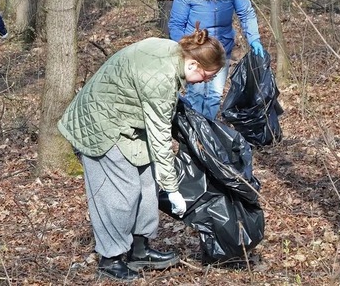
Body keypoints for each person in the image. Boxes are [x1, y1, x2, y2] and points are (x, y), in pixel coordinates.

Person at [58, 27, 226, 281]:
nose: (205, 82)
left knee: (147, 185)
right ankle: (111, 259)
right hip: (100, 124)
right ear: (193, 64)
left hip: (128, 122)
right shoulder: (161, 77)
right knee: (119, 194)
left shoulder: (174, 54)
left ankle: (140, 250)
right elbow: (160, 137)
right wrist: (172, 189)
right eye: (206, 76)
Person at [168, 0, 265, 120]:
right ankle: (195, 128)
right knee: (195, 94)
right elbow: (176, 24)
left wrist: (254, 38)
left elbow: (246, 13)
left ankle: (209, 127)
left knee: (214, 94)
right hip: (196, 52)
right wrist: (183, 49)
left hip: (222, 49)